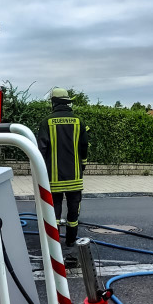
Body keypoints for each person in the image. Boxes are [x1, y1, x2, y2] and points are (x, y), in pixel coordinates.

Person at [38, 88, 88, 267]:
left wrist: (40, 172)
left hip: (54, 178)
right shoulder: (78, 121)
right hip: (75, 177)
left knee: (54, 212)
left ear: (53, 103)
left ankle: (54, 243)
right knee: (73, 212)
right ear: (67, 102)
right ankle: (71, 241)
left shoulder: (46, 122)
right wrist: (82, 165)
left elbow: (41, 149)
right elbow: (84, 146)